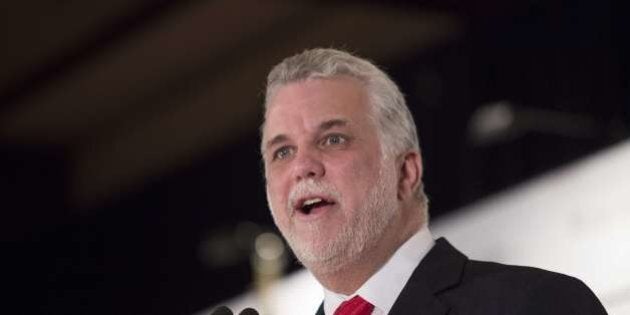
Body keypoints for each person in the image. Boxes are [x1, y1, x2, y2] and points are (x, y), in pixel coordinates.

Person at [259, 48, 607, 315]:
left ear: (405, 172)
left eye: (333, 139)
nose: (303, 166)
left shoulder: (534, 305)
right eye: (282, 151)